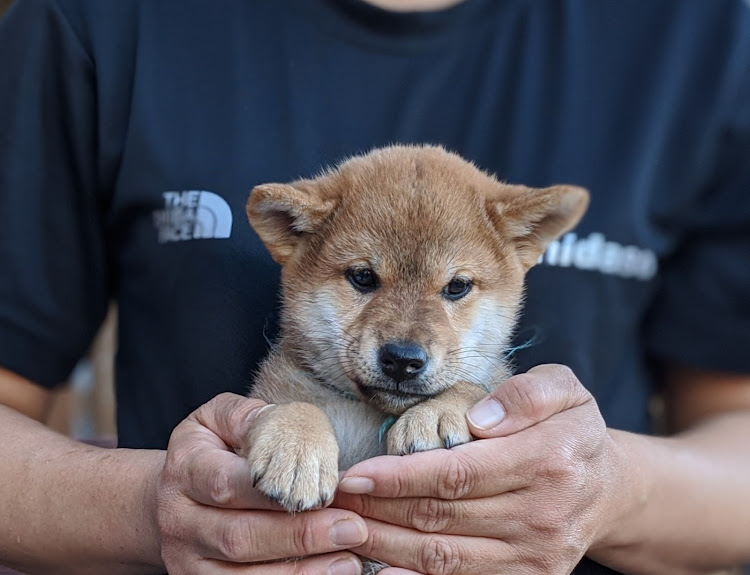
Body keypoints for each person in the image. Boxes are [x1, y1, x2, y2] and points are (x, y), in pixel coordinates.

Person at [0, 0, 749, 573]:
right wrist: (146, 508)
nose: (407, 340)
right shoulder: (97, 18)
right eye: (363, 279)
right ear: (294, 239)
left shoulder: (705, 32)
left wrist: (615, 490)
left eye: (457, 288)